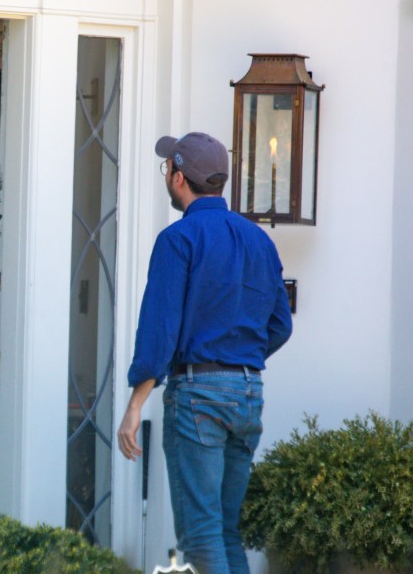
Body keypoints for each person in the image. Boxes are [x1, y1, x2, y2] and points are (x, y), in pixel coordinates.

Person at [117, 132, 293, 574]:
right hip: (249, 392)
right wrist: (239, 363)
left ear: (178, 177)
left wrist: (135, 405)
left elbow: (159, 333)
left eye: (167, 170)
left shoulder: (179, 239)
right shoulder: (260, 242)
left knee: (200, 533)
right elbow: (280, 325)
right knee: (224, 530)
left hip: (198, 394)